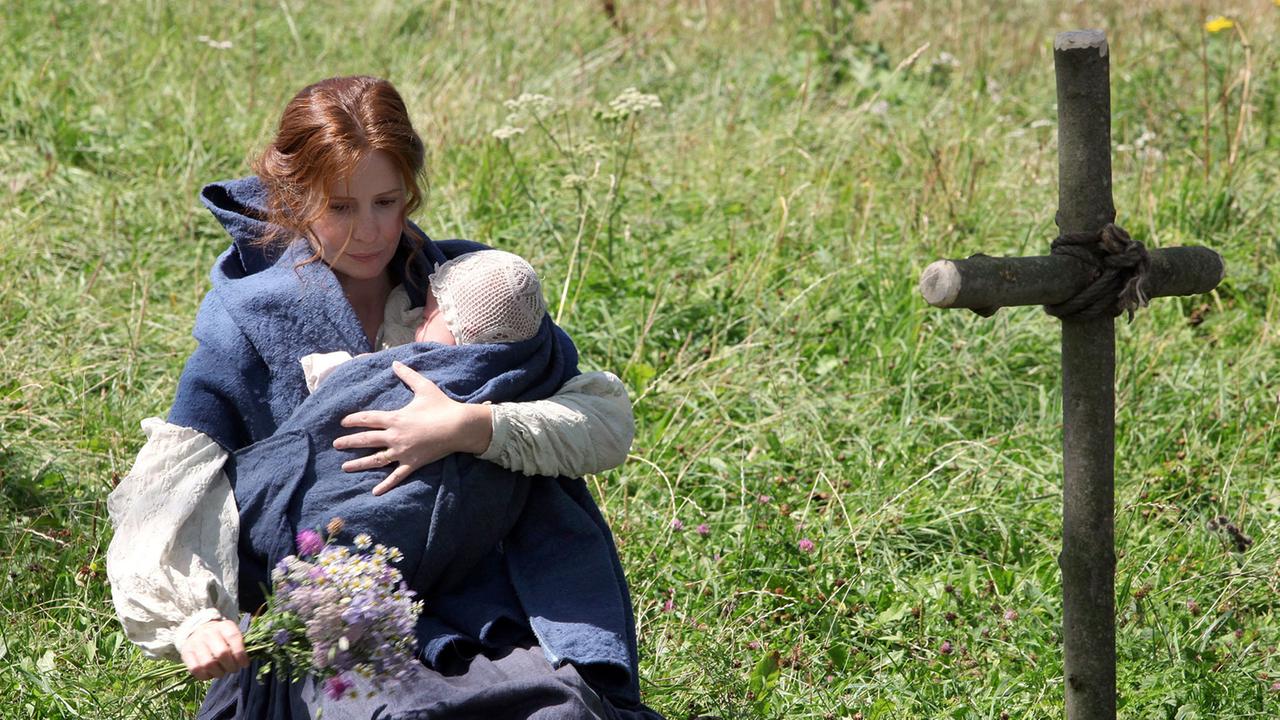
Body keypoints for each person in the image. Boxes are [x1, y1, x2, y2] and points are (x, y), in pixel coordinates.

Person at [106, 75, 661, 720]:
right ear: (293, 196)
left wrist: (471, 426)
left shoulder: (466, 291)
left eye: (386, 201)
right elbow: (170, 482)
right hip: (344, 608)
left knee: (558, 713)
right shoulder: (251, 318)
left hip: (484, 601)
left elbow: (605, 418)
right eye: (340, 206)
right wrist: (191, 615)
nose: (368, 231)